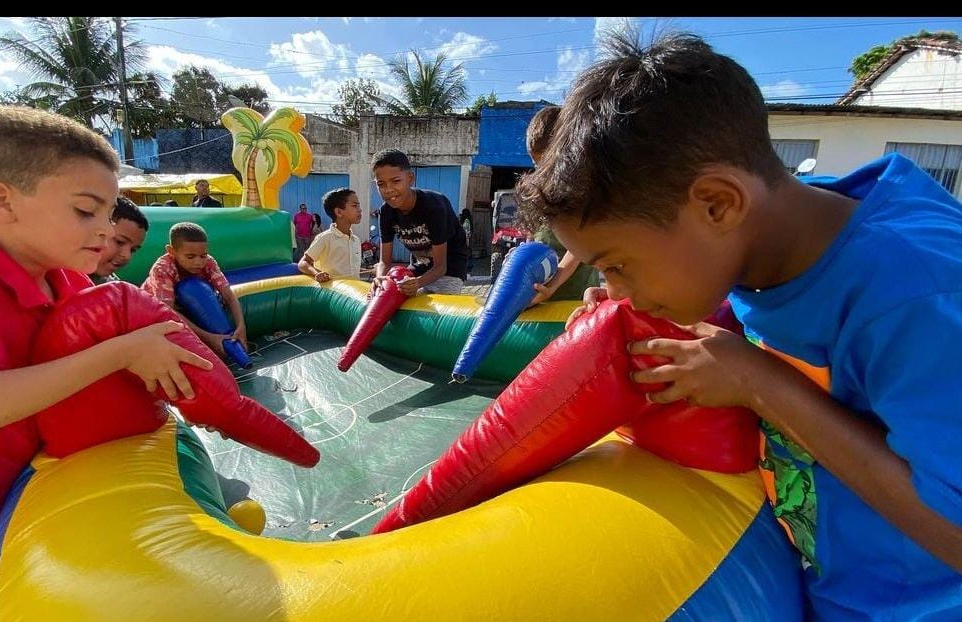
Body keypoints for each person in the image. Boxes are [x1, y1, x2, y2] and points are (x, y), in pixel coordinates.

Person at [516, 29, 962, 620]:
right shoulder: (770, 239)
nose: (619, 290)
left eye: (618, 265)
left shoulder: (916, 292)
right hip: (829, 585)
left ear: (717, 204)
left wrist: (758, 382)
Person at [0, 106, 212, 622]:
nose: (104, 232)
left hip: (25, 518)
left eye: (108, 215)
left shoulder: (68, 282)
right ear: (2, 201)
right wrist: (120, 353)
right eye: (86, 211)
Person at [521, 106, 600, 305]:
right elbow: (534, 236)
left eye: (548, 163)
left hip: (573, 297)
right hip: (540, 293)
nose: (542, 171)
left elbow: (579, 246)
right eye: (536, 164)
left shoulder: (582, 188)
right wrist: (522, 257)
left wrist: (552, 286)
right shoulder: (540, 188)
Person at [141, 222, 247, 359]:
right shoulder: (162, 269)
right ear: (171, 251)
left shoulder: (208, 262)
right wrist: (209, 338)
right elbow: (168, 312)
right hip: (159, 313)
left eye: (203, 255)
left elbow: (229, 296)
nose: (198, 262)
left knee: (201, 291)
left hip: (189, 307)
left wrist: (241, 327)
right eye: (190, 257)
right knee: (189, 289)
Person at [372, 149, 470, 295]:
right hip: (420, 265)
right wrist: (380, 277)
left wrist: (417, 283)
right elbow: (384, 262)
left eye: (396, 181)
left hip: (449, 268)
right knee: (393, 297)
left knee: (436, 309)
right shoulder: (386, 212)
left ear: (410, 179)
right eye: (381, 184)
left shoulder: (434, 207)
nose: (388, 189)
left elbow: (440, 267)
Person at [298, 188, 363, 282]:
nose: (360, 210)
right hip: (334, 294)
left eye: (359, 205)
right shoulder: (325, 238)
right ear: (339, 212)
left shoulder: (356, 240)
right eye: (355, 206)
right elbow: (303, 263)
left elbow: (350, 270)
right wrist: (317, 273)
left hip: (352, 293)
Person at [90, 196, 149, 284]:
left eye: (133, 250)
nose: (127, 255)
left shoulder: (111, 286)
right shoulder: (63, 281)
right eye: (119, 242)